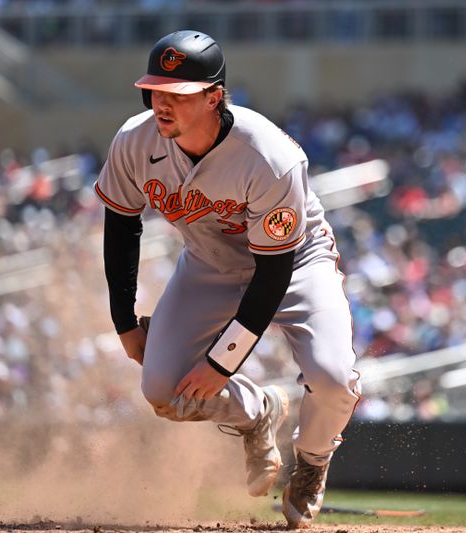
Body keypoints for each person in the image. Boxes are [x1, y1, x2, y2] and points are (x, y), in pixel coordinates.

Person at [95, 30, 361, 529]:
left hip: (296, 262)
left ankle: (313, 461)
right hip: (209, 264)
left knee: (333, 377)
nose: (161, 104)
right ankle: (257, 411)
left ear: (213, 97)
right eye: (155, 91)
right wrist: (124, 321)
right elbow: (121, 226)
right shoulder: (136, 140)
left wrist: (221, 363)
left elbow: (273, 274)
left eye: (178, 94)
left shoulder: (269, 158)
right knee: (162, 391)